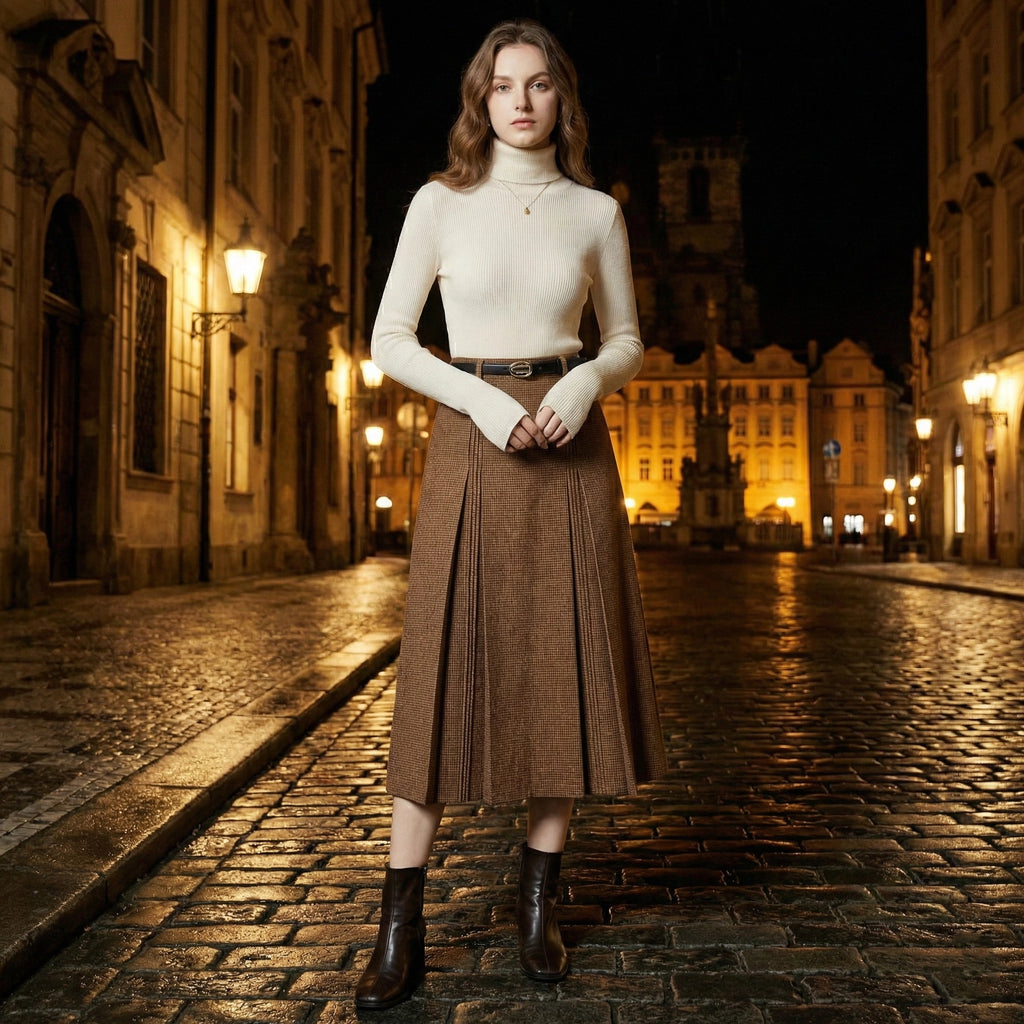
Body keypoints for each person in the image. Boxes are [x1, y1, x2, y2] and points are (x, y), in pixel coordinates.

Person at [355, 18, 667, 1010]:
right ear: (479, 100)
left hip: (571, 445)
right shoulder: (439, 203)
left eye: (537, 84)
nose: (520, 101)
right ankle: (398, 925)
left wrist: (581, 384)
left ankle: (539, 906)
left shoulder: (596, 213)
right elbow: (390, 340)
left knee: (560, 665)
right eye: (501, 85)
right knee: (440, 668)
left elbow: (625, 339)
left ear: (560, 97)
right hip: (470, 434)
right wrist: (486, 404)